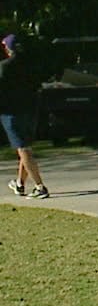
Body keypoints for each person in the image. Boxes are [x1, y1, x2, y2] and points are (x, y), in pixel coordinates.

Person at [0, 33, 50, 199]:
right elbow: (37, 86)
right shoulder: (30, 65)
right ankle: (20, 184)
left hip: (10, 112)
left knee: (23, 148)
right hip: (30, 111)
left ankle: (39, 186)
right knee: (25, 146)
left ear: (8, 49)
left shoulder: (4, 67)